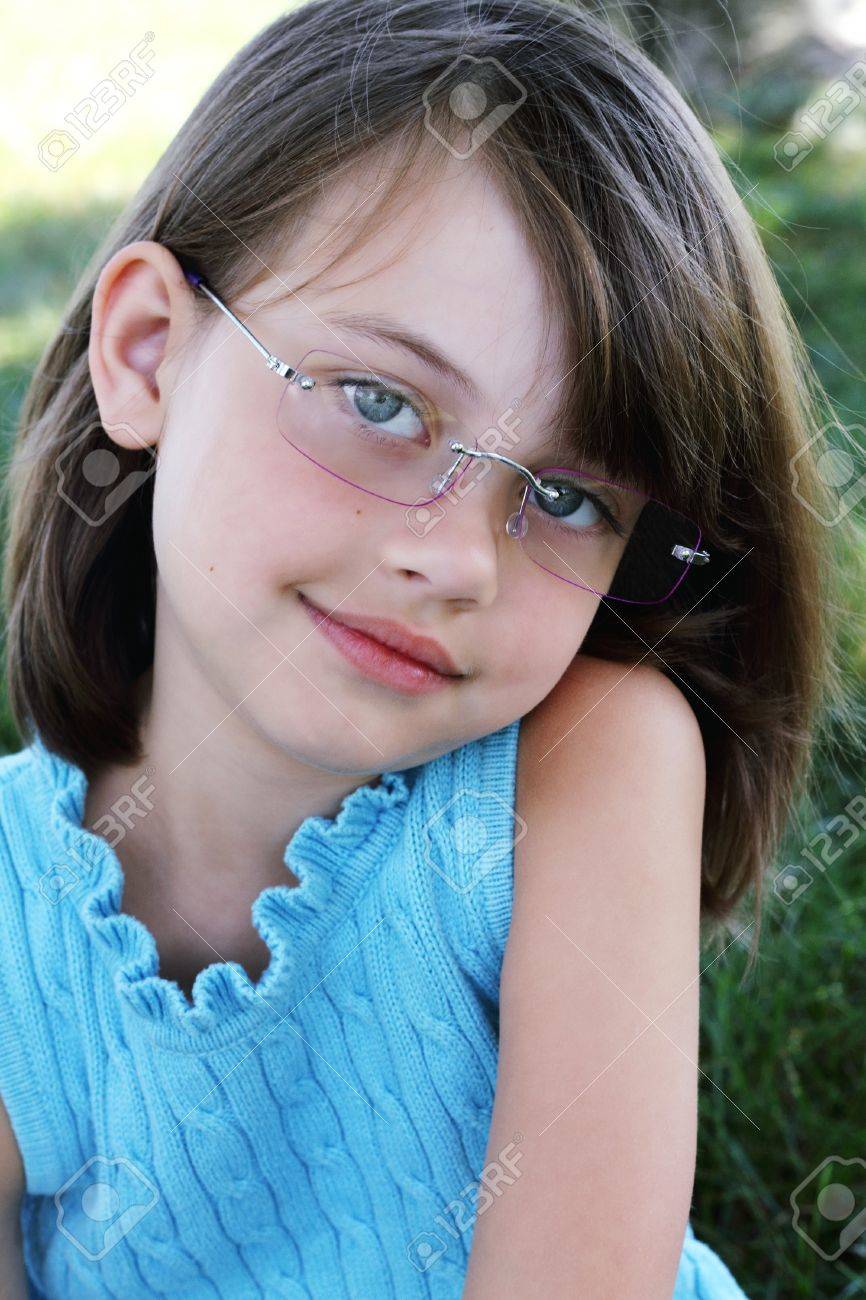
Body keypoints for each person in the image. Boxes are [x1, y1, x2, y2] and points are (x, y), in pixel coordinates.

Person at [0, 1, 856, 1295]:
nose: (457, 559)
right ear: (149, 353)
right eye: (380, 402)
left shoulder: (580, 767)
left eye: (566, 497)